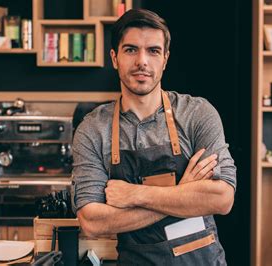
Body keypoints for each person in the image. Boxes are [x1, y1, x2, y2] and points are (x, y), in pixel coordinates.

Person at [72, 9, 237, 265]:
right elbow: (92, 221)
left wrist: (135, 194)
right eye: (130, 50)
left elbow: (222, 198)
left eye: (153, 51)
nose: (142, 61)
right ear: (114, 58)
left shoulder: (196, 113)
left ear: (165, 59)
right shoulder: (93, 129)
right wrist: (184, 192)